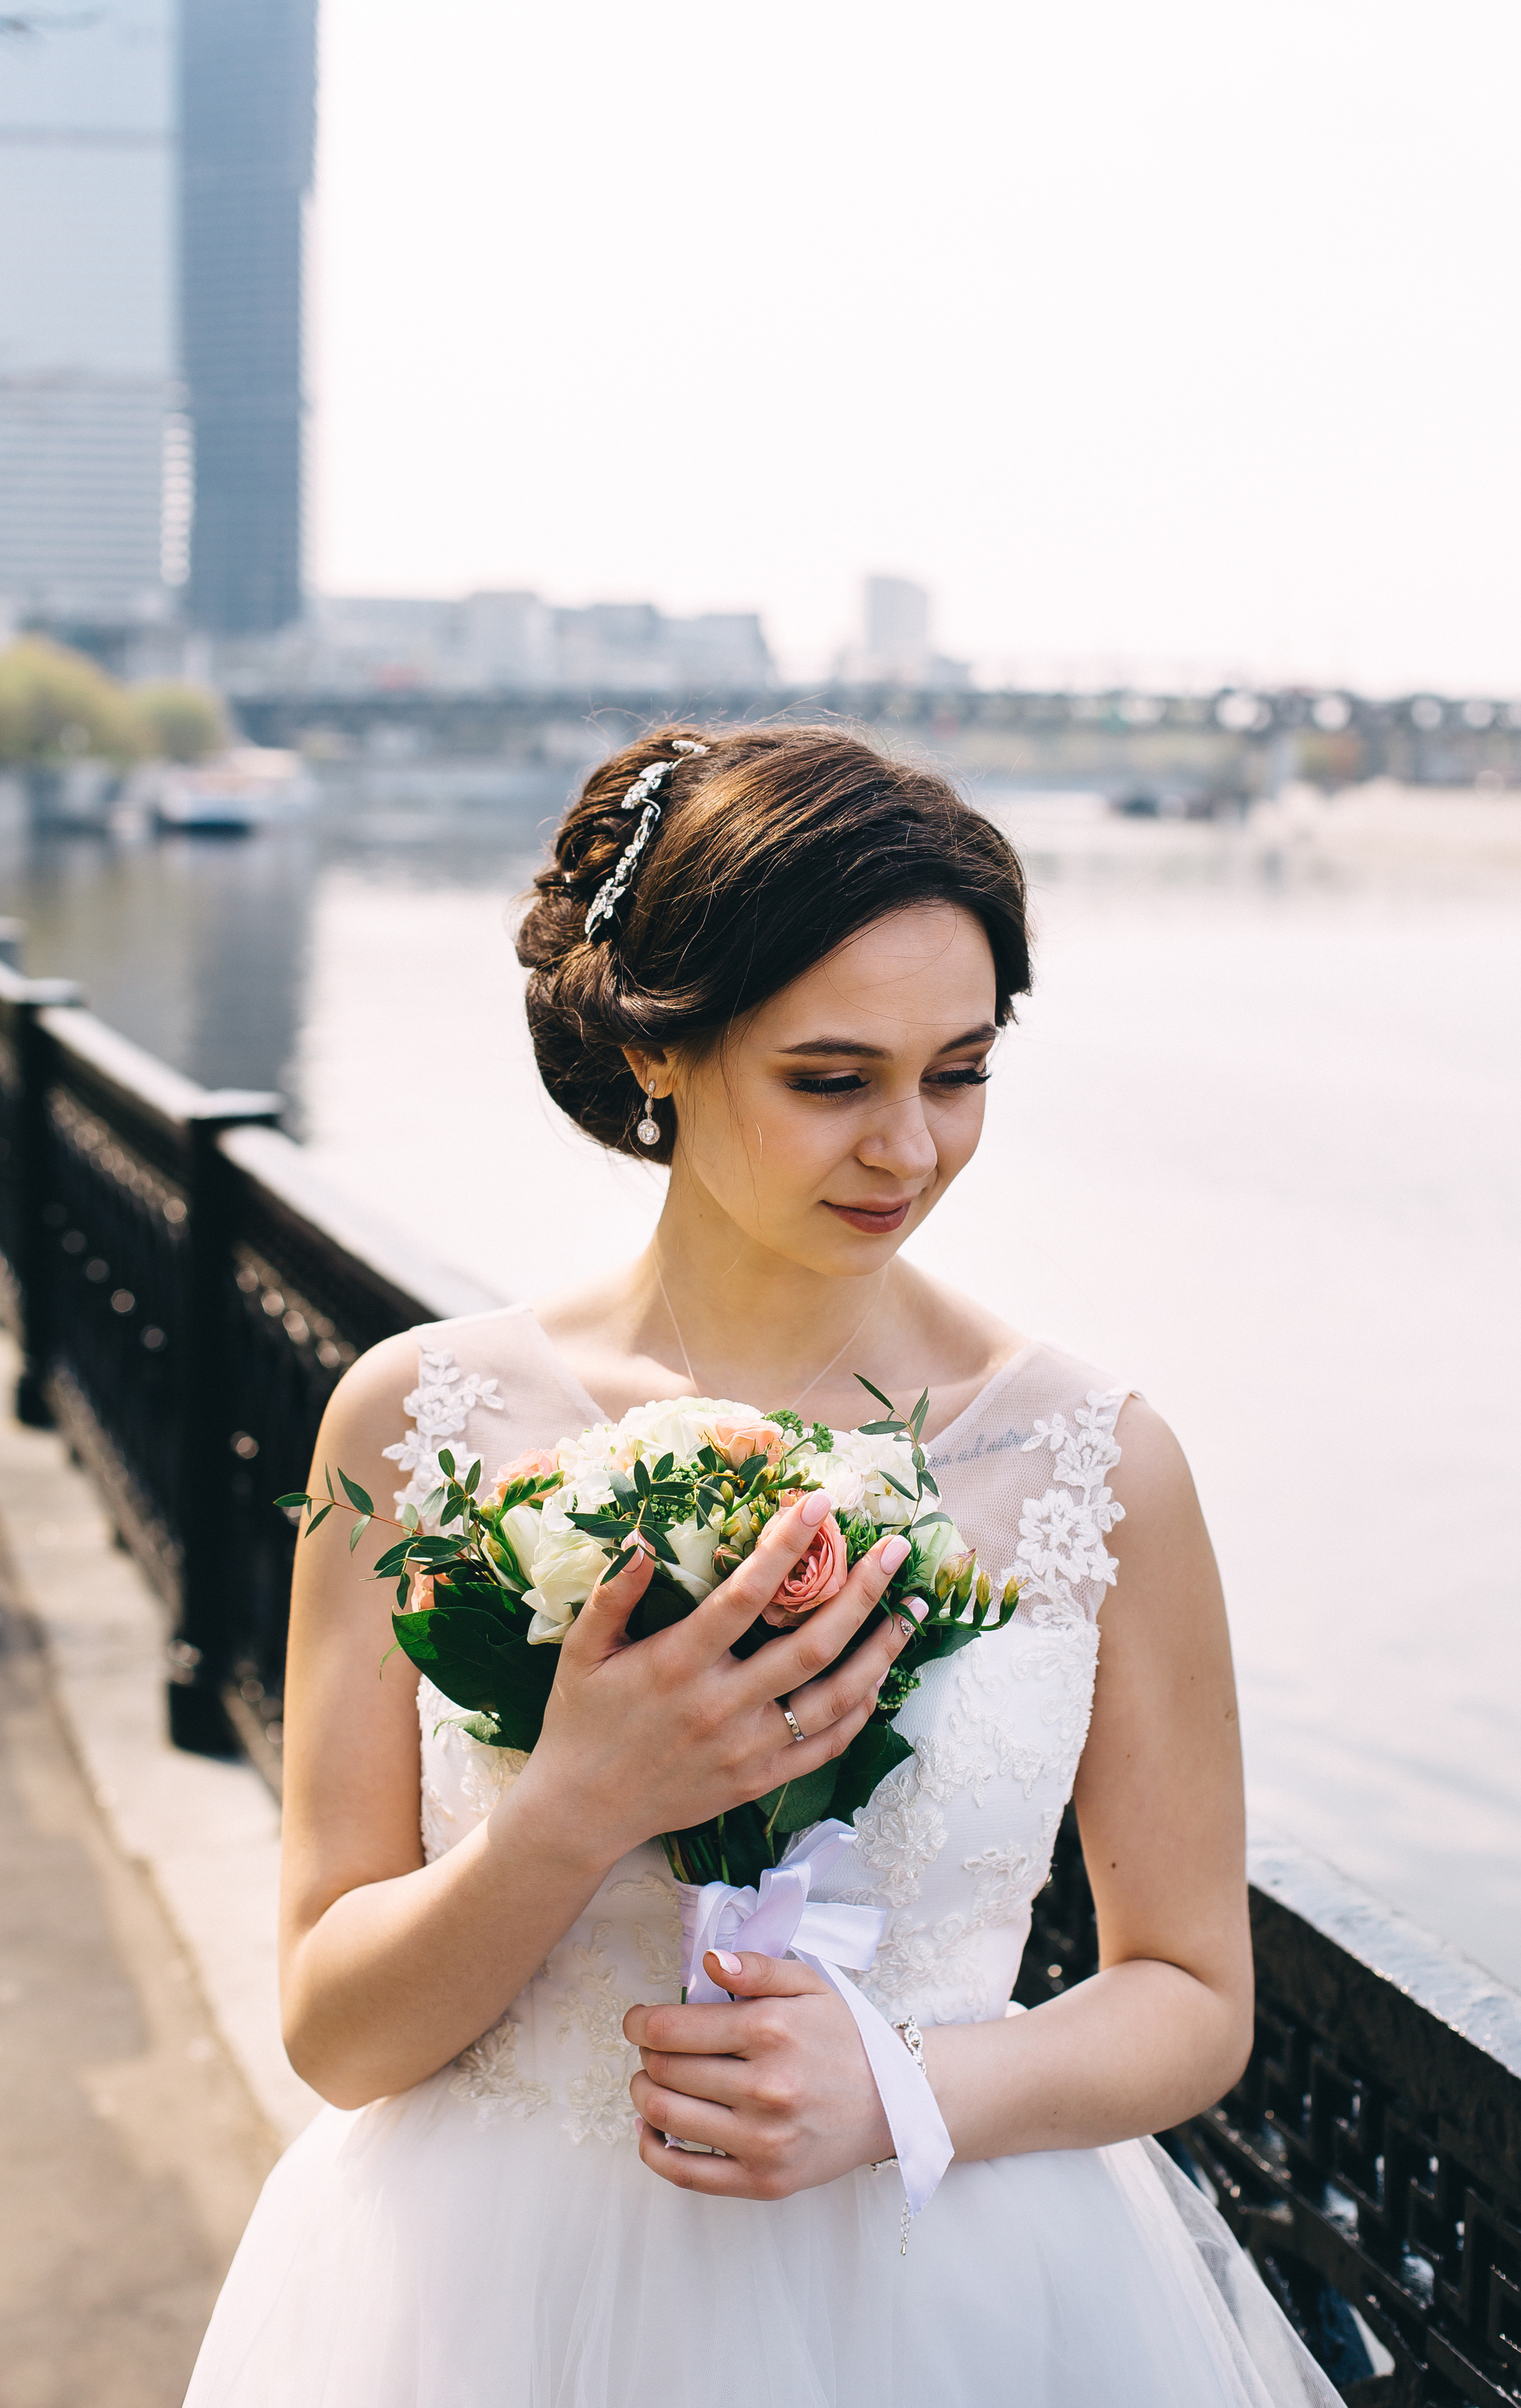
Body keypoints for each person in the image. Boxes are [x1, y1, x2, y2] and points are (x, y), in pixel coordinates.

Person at [185, 725, 1340, 2406]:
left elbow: (1189, 1994)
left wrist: (903, 2089)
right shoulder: (416, 1425)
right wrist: (577, 1805)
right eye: (832, 1078)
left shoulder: (1104, 1465)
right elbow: (338, 2034)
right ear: (663, 1053)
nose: (912, 1147)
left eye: (960, 1071)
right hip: (482, 2306)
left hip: (951, 2299)